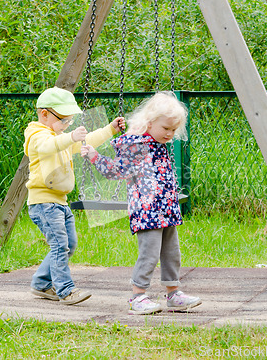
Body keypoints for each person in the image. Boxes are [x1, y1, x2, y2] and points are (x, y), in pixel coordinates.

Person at [81, 91, 201, 315]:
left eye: (173, 130)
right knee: (149, 254)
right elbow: (117, 170)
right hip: (147, 211)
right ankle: (137, 296)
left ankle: (173, 294)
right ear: (149, 122)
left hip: (165, 209)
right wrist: (95, 156)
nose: (170, 134)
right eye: (166, 128)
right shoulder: (137, 145)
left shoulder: (158, 143)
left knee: (172, 253)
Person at [24, 86, 125, 305]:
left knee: (69, 243)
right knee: (60, 245)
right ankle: (66, 290)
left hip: (60, 201)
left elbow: (86, 140)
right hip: (43, 203)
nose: (68, 124)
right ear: (44, 114)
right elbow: (49, 146)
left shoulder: (60, 136)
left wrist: (110, 129)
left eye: (70, 120)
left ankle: (41, 283)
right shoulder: (37, 135)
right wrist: (70, 136)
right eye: (64, 120)